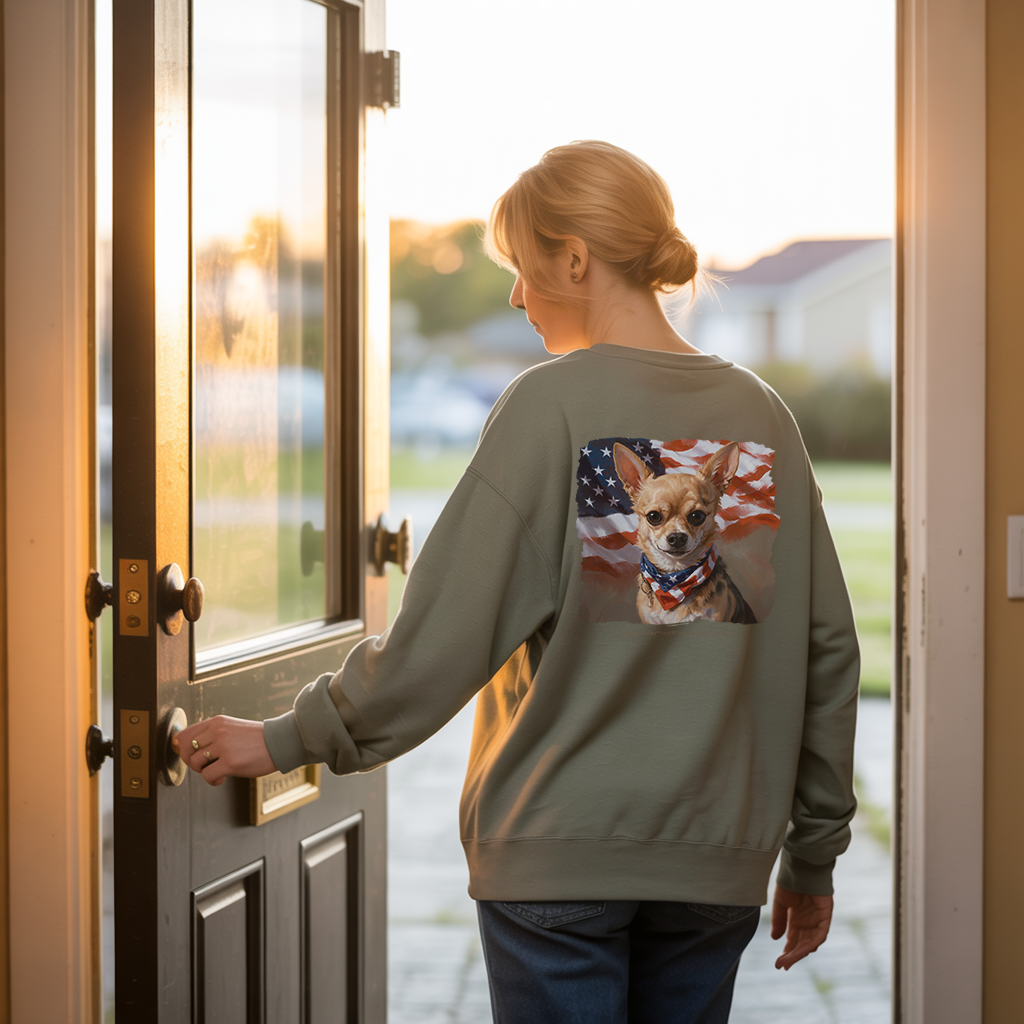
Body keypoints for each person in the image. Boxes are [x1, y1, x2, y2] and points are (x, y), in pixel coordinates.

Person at [175, 140, 859, 1024]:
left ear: (574, 258)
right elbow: (827, 651)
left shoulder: (550, 406)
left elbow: (443, 635)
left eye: (523, 267)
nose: (514, 295)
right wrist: (814, 855)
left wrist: (288, 738)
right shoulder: (762, 415)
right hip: (713, 864)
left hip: (557, 861)